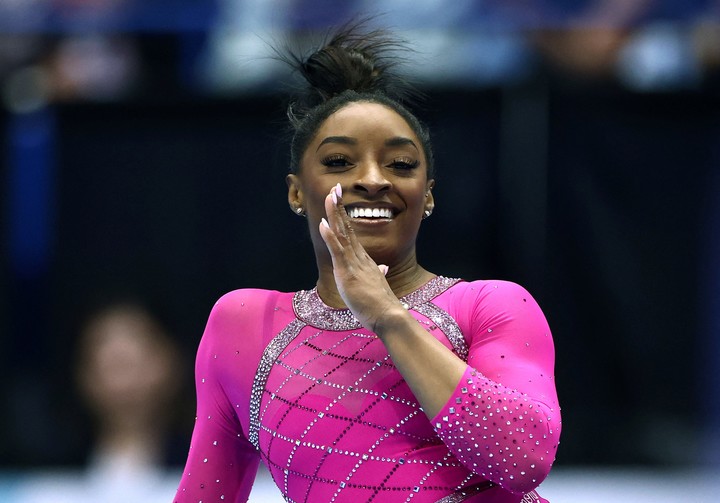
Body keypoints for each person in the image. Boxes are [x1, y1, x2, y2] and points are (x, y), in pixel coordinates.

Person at [174, 21, 561, 503]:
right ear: (297, 192)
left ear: (428, 197)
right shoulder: (243, 325)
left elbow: (523, 460)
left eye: (400, 165)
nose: (373, 180)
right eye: (339, 162)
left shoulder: (488, 306)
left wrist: (388, 317)